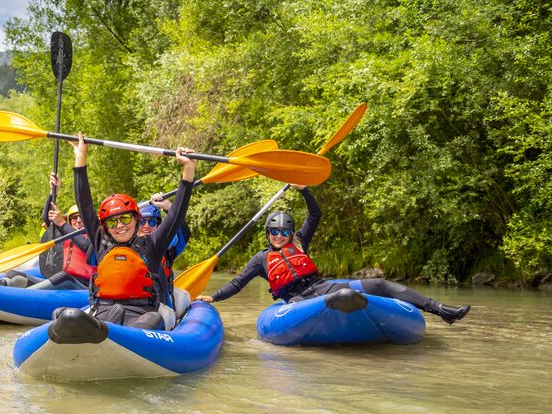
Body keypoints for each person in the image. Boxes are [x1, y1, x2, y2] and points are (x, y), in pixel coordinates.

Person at [197, 185, 471, 324]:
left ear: (291, 234)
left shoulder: (301, 242)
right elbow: (237, 283)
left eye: (284, 233)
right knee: (336, 299)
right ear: (267, 234)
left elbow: (316, 214)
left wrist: (304, 189)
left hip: (323, 286)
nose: (279, 237)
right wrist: (213, 297)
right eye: (274, 232)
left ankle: (440, 310)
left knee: (379, 284)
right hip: (297, 300)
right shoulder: (260, 259)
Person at [72, 133, 196, 330]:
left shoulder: (153, 245)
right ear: (106, 228)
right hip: (103, 311)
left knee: (152, 321)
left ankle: (112, 334)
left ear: (136, 220)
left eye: (126, 218)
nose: (120, 225)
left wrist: (188, 168)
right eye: (112, 222)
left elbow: (177, 214)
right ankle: (98, 331)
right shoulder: (101, 243)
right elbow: (84, 204)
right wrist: (80, 156)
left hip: (143, 316)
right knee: (63, 314)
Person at [138, 195, 191, 309]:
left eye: (152, 222)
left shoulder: (167, 249)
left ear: (158, 226)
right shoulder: (123, 246)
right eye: (142, 221)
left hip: (161, 306)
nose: (146, 226)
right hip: (133, 305)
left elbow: (185, 234)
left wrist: (169, 208)